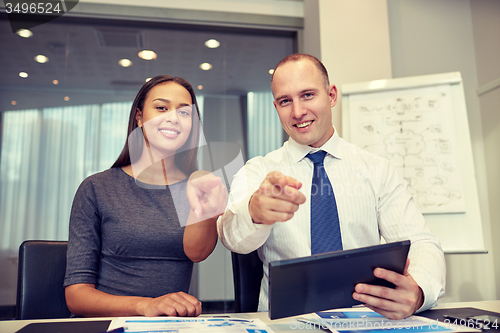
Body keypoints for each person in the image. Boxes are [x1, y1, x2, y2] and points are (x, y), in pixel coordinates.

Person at [217, 54, 445, 320]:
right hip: (287, 324)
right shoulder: (258, 170)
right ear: (276, 107)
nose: (298, 112)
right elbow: (232, 238)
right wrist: (254, 212)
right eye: (285, 101)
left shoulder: (376, 169)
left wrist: (418, 291)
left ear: (331, 95)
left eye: (308, 95)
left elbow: (421, 242)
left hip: (364, 320)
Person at [64, 75, 226, 317]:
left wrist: (206, 204)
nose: (172, 117)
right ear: (139, 117)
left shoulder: (199, 186)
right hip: (108, 324)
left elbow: (199, 252)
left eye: (184, 113)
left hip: (171, 325)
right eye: (161, 108)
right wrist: (146, 305)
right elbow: (76, 296)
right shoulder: (96, 188)